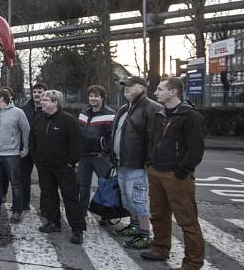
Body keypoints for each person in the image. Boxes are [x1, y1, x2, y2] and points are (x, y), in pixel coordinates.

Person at [142, 77, 207, 270]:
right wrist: (150, 162)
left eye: (160, 89)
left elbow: (196, 148)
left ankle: (191, 265)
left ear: (173, 92)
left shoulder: (190, 116)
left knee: (187, 220)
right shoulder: (159, 115)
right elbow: (153, 140)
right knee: (158, 213)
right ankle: (160, 248)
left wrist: (182, 171)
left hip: (176, 175)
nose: (156, 92)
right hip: (156, 171)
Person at [110, 76, 161, 250]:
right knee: (127, 199)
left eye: (131, 86)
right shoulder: (125, 108)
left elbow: (154, 139)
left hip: (137, 164)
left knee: (138, 199)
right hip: (122, 161)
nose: (126, 89)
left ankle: (146, 234)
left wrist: (148, 162)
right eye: (125, 86)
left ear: (142, 88)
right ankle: (134, 226)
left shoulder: (151, 108)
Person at [29, 90, 85, 244]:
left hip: (64, 168)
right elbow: (32, 140)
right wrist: (35, 158)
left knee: (70, 197)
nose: (42, 102)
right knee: (49, 195)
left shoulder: (68, 120)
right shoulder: (38, 119)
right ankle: (53, 222)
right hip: (44, 167)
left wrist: (69, 163)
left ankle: (77, 229)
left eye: (46, 99)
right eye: (42, 99)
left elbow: (77, 144)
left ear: (56, 103)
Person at [0, 88, 30, 223]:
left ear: (2, 98)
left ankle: (17, 211)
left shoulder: (18, 112)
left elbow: (26, 130)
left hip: (11, 154)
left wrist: (26, 148)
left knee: (16, 183)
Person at [77, 85, 115, 220]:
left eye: (96, 96)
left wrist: (105, 152)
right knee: (83, 186)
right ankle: (82, 211)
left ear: (102, 97)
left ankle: (106, 215)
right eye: (91, 96)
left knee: (105, 186)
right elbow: (78, 133)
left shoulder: (110, 114)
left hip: (101, 157)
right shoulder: (83, 113)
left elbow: (112, 136)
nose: (93, 98)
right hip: (84, 156)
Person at [20, 82, 47, 211]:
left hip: (42, 150)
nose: (36, 94)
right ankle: (24, 204)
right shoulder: (24, 109)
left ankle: (44, 207)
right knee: (23, 178)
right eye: (35, 92)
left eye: (39, 92)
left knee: (44, 180)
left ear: (45, 93)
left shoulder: (49, 109)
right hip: (26, 149)